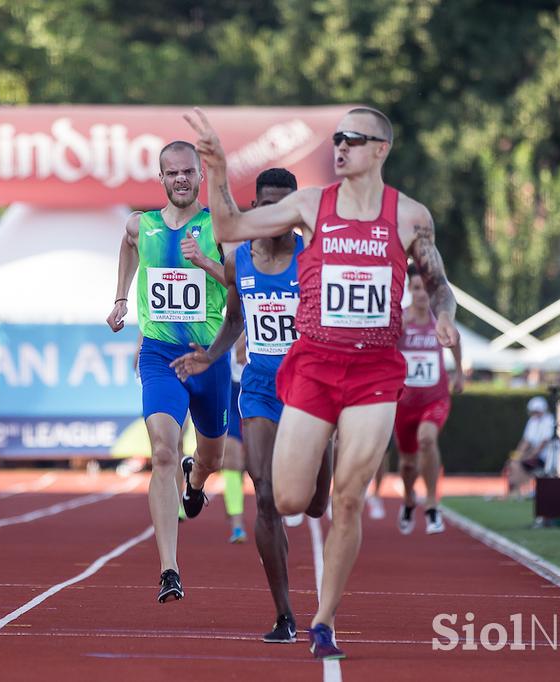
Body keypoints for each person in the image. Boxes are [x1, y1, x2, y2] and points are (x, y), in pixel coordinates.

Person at [185, 107, 459, 659]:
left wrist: (445, 316)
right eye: (337, 139)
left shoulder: (410, 217)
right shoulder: (311, 206)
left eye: (353, 140)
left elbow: (440, 282)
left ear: (381, 148)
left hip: (376, 370)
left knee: (348, 500)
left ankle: (322, 621)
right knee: (286, 498)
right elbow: (229, 229)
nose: (340, 148)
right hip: (310, 367)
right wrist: (216, 169)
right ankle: (319, 460)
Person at [171, 167, 332, 644]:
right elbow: (236, 319)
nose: (274, 215)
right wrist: (211, 355)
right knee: (264, 495)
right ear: (255, 208)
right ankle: (285, 614)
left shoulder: (312, 260)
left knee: (317, 505)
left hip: (309, 385)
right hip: (261, 382)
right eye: (266, 205)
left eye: (284, 205)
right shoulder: (240, 258)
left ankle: (328, 452)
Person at [107, 140, 230, 603]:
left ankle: (195, 481)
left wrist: (205, 262)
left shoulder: (218, 226)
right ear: (161, 178)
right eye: (171, 173)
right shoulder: (143, 224)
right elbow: (126, 245)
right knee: (162, 449)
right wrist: (120, 297)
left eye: (187, 172)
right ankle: (169, 570)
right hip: (159, 354)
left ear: (201, 176)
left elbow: (239, 282)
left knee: (213, 457)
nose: (180, 179)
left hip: (209, 357)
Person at [395, 263, 464, 535]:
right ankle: (410, 497)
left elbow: (455, 340)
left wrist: (459, 371)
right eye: (416, 288)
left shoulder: (440, 320)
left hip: (435, 398)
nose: (422, 294)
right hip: (404, 402)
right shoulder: (400, 321)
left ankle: (433, 503)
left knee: (427, 438)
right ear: (409, 291)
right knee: (407, 463)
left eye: (425, 288)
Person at [504, 396, 558, 498]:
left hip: (546, 459)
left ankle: (515, 492)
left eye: (536, 411)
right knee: (513, 463)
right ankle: (516, 492)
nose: (535, 414)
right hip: (536, 456)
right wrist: (517, 455)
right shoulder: (532, 421)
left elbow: (543, 443)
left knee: (518, 465)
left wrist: (528, 456)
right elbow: (526, 441)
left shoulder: (549, 421)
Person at [223, 336, 247, 544]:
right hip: (231, 400)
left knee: (258, 464)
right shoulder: (227, 322)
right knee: (232, 462)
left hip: (257, 395)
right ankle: (237, 525)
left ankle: (273, 515)